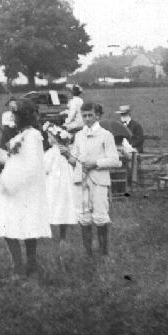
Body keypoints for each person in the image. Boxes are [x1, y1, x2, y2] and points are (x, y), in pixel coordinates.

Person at [0, 99, 51, 280]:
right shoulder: (25, 135)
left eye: (14, 114)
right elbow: (20, 160)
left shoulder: (31, 137)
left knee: (10, 227)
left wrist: (8, 178)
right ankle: (29, 267)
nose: (11, 117)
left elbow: (31, 166)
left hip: (20, 190)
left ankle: (21, 270)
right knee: (23, 227)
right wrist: (4, 159)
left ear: (22, 116)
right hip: (21, 188)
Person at [64, 103, 121, 256]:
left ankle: (103, 252)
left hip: (99, 179)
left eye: (90, 115)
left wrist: (96, 163)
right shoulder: (79, 136)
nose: (87, 119)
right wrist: (67, 155)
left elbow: (115, 160)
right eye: (84, 116)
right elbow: (74, 159)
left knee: (100, 214)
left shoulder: (105, 135)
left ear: (97, 116)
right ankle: (88, 252)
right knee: (84, 215)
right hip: (82, 180)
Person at [42, 122, 78, 241]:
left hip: (54, 183)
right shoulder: (66, 151)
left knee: (51, 203)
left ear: (54, 138)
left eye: (49, 136)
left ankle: (49, 232)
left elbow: (45, 168)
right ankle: (62, 234)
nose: (48, 139)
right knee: (63, 205)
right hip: (65, 184)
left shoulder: (51, 153)